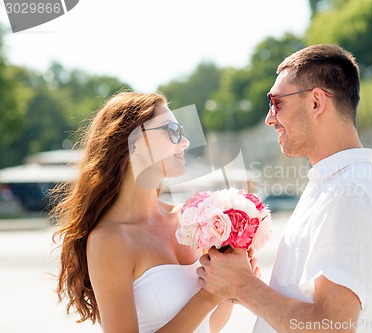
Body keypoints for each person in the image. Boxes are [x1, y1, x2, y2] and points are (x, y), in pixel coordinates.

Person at [196, 44, 372, 333]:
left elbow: (331, 327)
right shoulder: (336, 185)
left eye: (277, 102)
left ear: (317, 102)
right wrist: (240, 284)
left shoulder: (350, 191)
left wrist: (244, 285)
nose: (269, 118)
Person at [51, 92, 235, 333]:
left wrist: (232, 286)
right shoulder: (109, 241)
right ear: (135, 142)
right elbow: (204, 303)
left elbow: (208, 326)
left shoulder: (192, 219)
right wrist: (209, 296)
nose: (185, 141)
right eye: (172, 130)